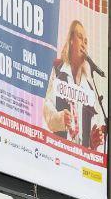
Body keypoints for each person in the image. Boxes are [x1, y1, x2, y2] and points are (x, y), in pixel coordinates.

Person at [44, 20, 105, 151]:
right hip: (59, 150)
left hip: (80, 157)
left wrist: (93, 142)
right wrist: (60, 119)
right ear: (71, 40)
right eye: (80, 37)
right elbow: (47, 108)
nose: (83, 44)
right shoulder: (58, 70)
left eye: (86, 41)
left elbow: (93, 127)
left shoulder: (88, 88)